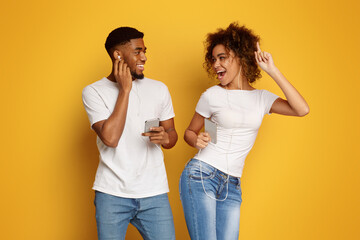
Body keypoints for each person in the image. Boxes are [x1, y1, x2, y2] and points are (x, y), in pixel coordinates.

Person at [179, 22, 309, 240]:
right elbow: (190, 132)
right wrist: (196, 139)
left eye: (222, 57)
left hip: (232, 184)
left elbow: (302, 109)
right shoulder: (212, 95)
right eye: (213, 59)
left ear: (240, 57)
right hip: (202, 175)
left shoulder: (261, 98)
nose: (215, 64)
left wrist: (272, 71)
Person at [82, 27, 177, 240]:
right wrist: (125, 90)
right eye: (137, 51)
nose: (144, 57)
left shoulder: (159, 88)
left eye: (144, 50)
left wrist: (166, 138)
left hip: (154, 193)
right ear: (118, 55)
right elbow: (110, 138)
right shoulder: (93, 91)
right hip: (112, 194)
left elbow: (172, 134)